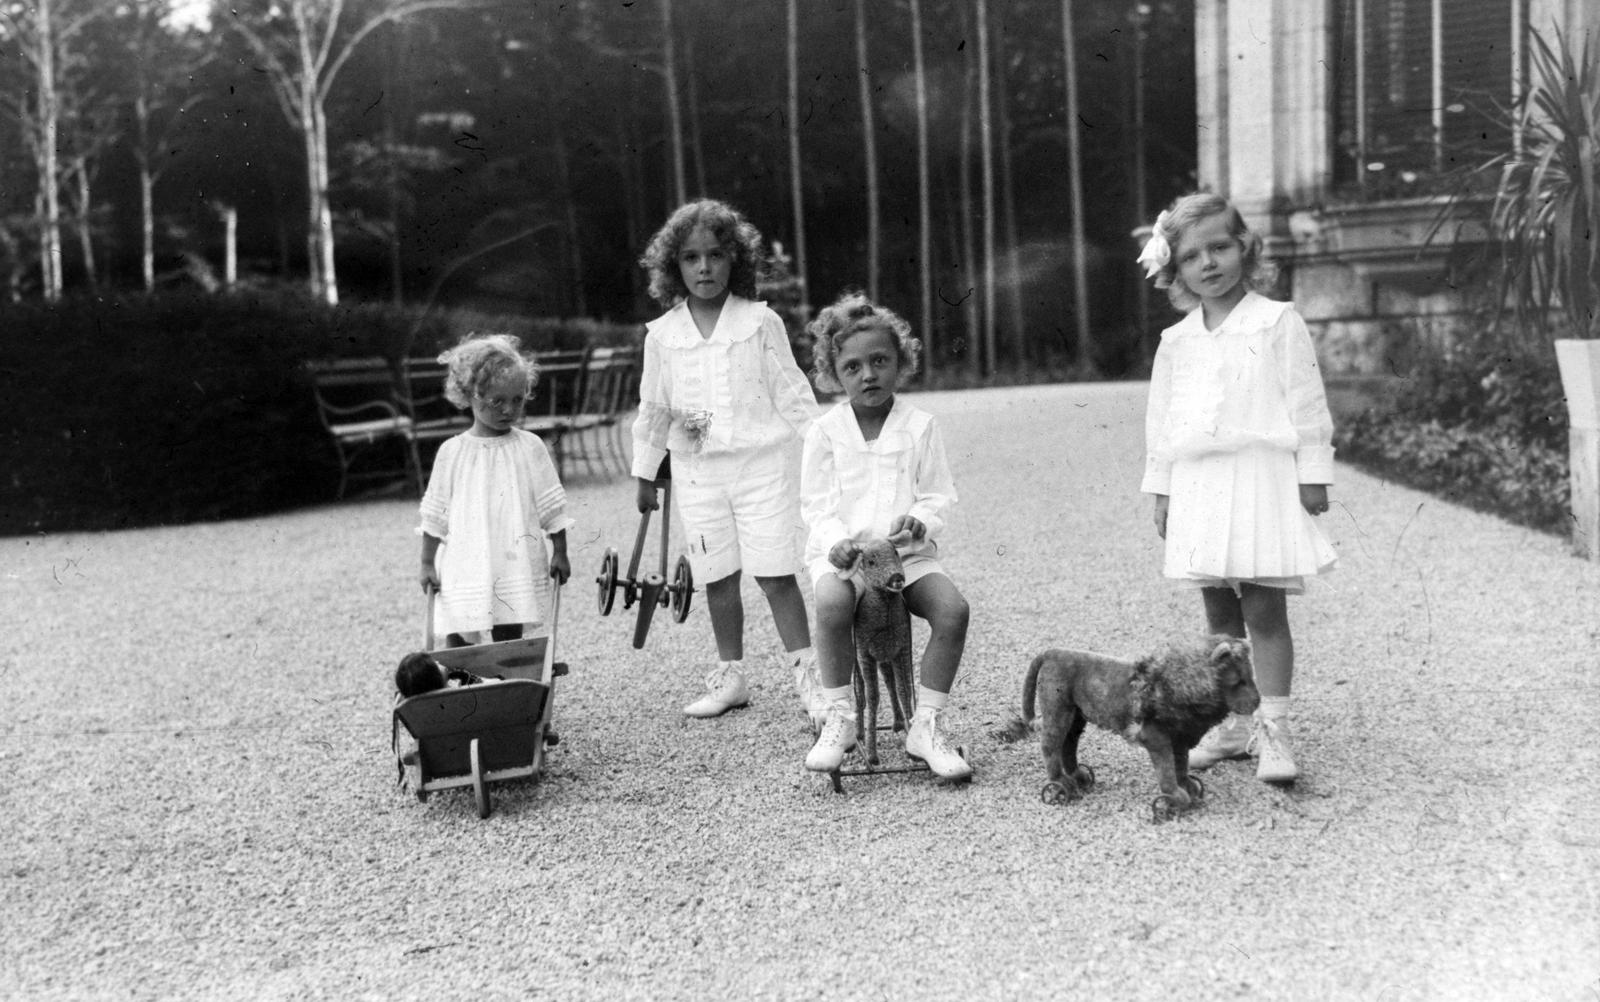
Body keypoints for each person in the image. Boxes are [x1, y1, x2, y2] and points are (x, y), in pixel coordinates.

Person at [1137, 192, 1338, 784]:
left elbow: (1307, 402)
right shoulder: (1177, 341)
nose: (1209, 263)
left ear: (1245, 249)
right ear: (1176, 269)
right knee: (1219, 612)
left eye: (1220, 247)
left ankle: (1273, 730)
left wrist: (1313, 473)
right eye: (1193, 255)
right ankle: (1230, 719)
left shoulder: (1277, 321)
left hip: (1259, 476)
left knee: (1263, 606)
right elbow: (1162, 422)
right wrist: (1163, 490)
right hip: (1201, 481)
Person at [632, 198, 822, 719]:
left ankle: (810, 675)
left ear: (735, 260)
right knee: (716, 576)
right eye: (691, 258)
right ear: (675, 268)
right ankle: (730, 675)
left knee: (775, 572)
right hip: (699, 475)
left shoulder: (760, 322)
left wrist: (828, 446)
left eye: (715, 255)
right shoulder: (663, 335)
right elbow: (658, 407)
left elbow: (791, 390)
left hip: (761, 468)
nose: (704, 268)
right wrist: (647, 471)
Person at [798, 293, 972, 780]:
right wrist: (834, 540)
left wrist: (920, 519)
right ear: (835, 375)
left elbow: (938, 494)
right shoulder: (825, 431)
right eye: (852, 367)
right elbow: (815, 504)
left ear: (902, 362)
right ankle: (841, 716)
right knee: (831, 602)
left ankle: (926, 724)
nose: (868, 375)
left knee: (953, 610)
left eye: (880, 361)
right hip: (848, 557)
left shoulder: (919, 427)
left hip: (904, 556)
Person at [418, 333, 573, 648]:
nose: (508, 410)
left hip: (512, 556)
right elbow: (435, 514)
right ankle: (463, 685)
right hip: (466, 559)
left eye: (517, 400)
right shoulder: (453, 451)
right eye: (497, 401)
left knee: (509, 620)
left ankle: (506, 684)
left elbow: (552, 508)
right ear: (470, 395)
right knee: (459, 627)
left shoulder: (529, 447)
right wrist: (425, 562)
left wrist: (560, 551)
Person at [394, 651, 496, 699]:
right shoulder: (456, 681)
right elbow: (486, 684)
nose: (438, 661)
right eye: (436, 664)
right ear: (436, 678)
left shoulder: (419, 706)